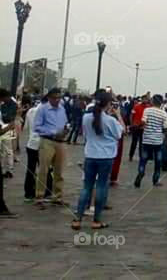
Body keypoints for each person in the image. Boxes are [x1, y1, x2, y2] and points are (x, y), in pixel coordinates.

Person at [71, 90, 123, 230]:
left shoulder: (86, 118)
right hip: (106, 156)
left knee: (86, 187)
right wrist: (117, 114)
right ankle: (96, 220)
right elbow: (120, 134)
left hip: (90, 154)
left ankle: (77, 219)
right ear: (108, 104)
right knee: (101, 187)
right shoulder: (110, 120)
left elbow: (86, 133)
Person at [33, 87, 68, 206]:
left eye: (59, 97)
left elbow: (65, 122)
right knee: (43, 170)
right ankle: (39, 196)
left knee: (59, 171)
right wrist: (53, 132)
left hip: (61, 142)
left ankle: (57, 197)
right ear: (49, 98)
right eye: (55, 98)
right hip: (47, 141)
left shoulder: (62, 109)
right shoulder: (42, 109)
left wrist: (65, 130)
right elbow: (36, 127)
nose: (57, 100)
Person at [22, 95, 52, 203]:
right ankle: (47, 192)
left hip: (31, 144)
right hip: (42, 144)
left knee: (30, 169)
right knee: (45, 169)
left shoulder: (31, 111)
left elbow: (25, 127)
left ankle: (28, 193)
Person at [135, 96, 167, 188]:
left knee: (143, 159)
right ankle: (155, 180)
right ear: (161, 103)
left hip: (146, 139)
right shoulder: (164, 114)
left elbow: (143, 122)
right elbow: (165, 129)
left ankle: (141, 172)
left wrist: (138, 126)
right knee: (158, 161)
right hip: (158, 141)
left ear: (153, 101)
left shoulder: (147, 110)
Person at [128, 95, 147, 161]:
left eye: (146, 99)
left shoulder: (148, 108)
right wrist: (131, 124)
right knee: (134, 142)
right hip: (136, 127)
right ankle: (131, 155)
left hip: (143, 127)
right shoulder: (136, 106)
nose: (145, 100)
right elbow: (131, 115)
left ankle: (141, 156)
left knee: (142, 143)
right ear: (141, 99)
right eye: (144, 99)